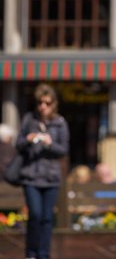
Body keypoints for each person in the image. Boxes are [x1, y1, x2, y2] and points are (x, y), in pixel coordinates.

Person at [16, 83, 69, 259]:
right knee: (35, 215)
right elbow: (18, 144)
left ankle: (44, 254)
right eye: (40, 102)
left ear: (53, 103)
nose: (43, 106)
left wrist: (49, 143)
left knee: (47, 218)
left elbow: (63, 150)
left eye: (47, 103)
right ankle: (31, 254)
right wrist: (28, 139)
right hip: (31, 176)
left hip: (51, 178)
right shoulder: (29, 120)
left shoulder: (60, 123)